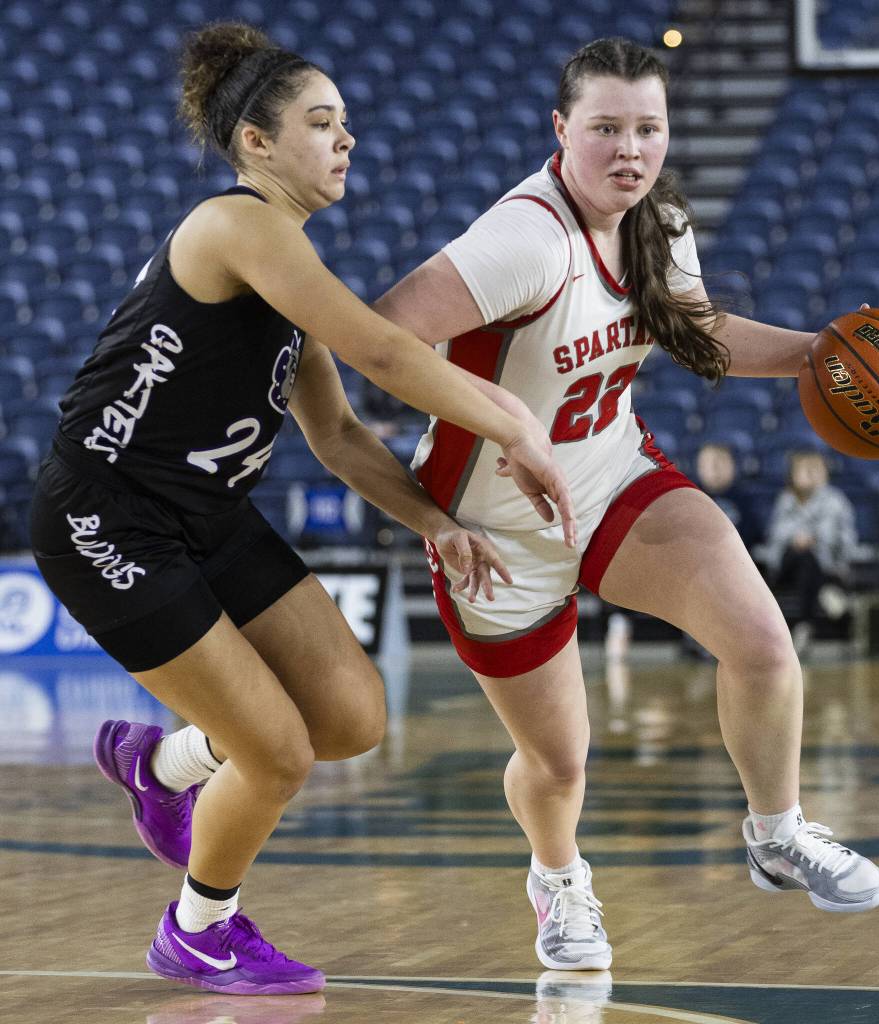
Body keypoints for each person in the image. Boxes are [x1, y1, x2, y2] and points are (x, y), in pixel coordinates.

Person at [29, 22, 576, 996]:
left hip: (207, 513)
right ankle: (200, 927)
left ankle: (165, 765)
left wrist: (436, 523)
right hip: (107, 517)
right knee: (275, 751)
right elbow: (388, 354)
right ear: (256, 143)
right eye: (321, 123)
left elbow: (340, 438)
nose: (345, 140)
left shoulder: (288, 268)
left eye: (348, 124)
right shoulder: (235, 226)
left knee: (351, 715)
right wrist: (514, 429)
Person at [373, 37, 879, 972]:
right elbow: (383, 336)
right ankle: (557, 878)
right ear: (561, 131)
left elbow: (694, 333)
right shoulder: (524, 239)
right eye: (605, 128)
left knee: (763, 645)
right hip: (495, 531)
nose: (628, 149)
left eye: (647, 128)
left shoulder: (659, 219)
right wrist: (505, 426)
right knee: (559, 765)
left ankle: (776, 832)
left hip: (613, 475)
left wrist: (821, 354)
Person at [761, 449, 857, 654]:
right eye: (804, 469)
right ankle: (826, 596)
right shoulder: (785, 499)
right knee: (801, 557)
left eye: (815, 469)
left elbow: (844, 540)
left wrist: (815, 539)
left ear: (825, 473)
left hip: (823, 563)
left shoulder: (835, 501)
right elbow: (775, 536)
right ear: (793, 474)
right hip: (788, 564)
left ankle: (805, 625)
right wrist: (796, 538)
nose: (810, 474)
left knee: (808, 560)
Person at [693, 440, 760, 547]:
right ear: (699, 467)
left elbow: (752, 537)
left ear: (732, 466)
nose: (714, 469)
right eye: (707, 464)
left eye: (720, 462)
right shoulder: (689, 497)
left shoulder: (745, 499)